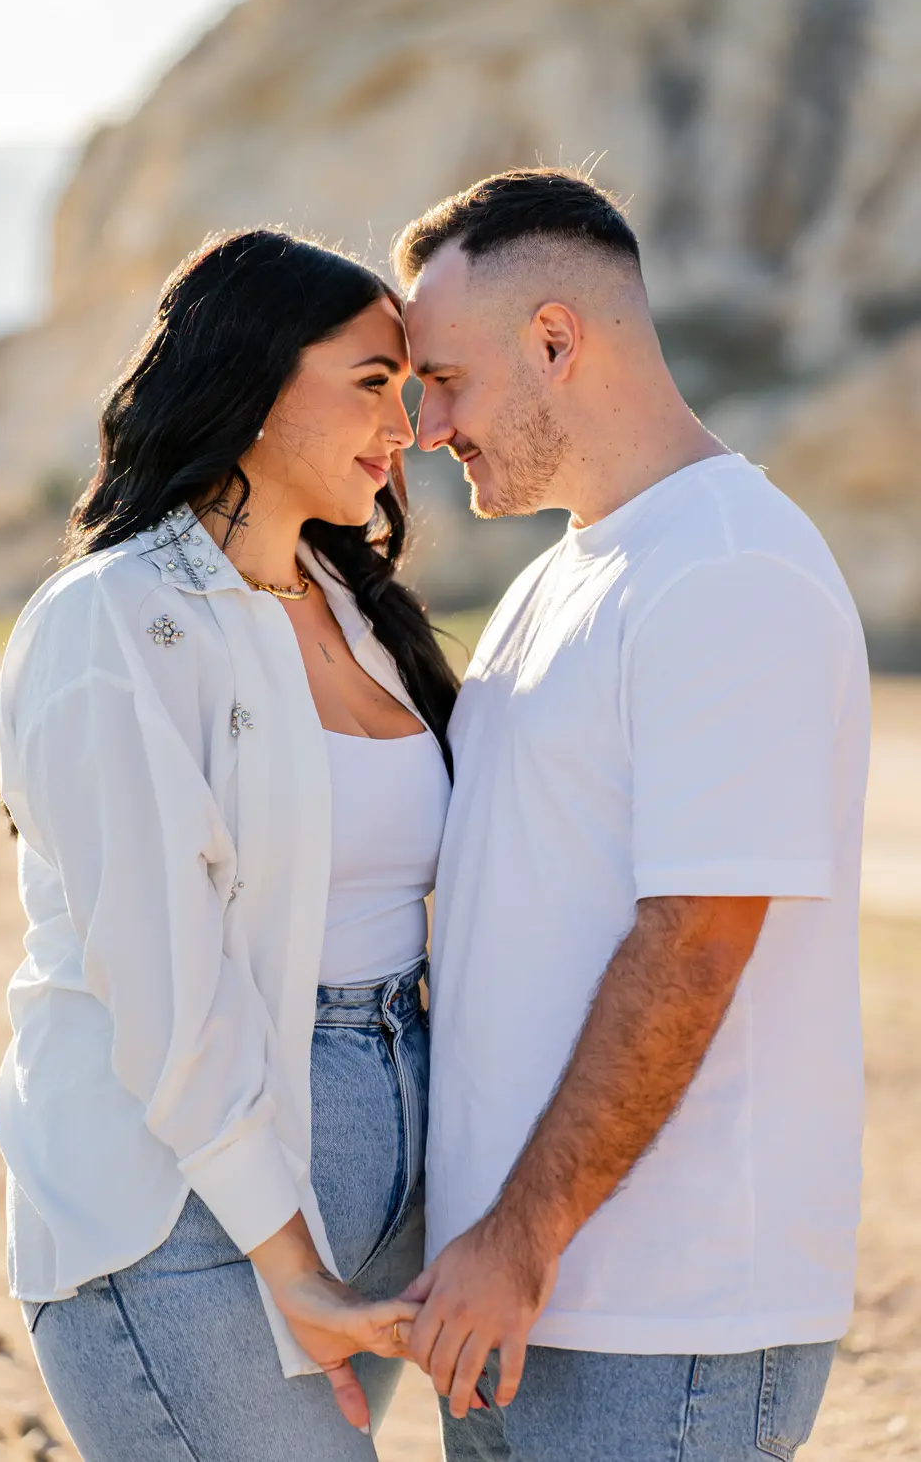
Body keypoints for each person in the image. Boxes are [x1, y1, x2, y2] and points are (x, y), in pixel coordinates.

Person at [391, 169, 871, 1461]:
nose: (428, 428)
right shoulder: (564, 575)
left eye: (446, 380)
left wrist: (518, 1239)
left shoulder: (727, 569)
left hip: (666, 1321)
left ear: (555, 339)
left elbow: (697, 939)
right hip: (512, 1303)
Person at [0, 229, 463, 1462]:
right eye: (373, 383)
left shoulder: (354, 603)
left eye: (412, 389)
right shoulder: (113, 619)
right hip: (189, 1207)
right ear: (253, 380)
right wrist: (289, 1256)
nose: (406, 426)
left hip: (391, 1174)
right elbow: (163, 982)